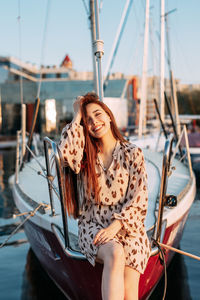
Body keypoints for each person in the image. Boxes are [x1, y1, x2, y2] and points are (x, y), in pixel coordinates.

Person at [58, 92, 151, 300]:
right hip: (94, 225)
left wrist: (116, 226)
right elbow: (64, 153)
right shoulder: (84, 155)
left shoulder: (132, 153)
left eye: (98, 114)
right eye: (87, 119)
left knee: (130, 290)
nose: (94, 122)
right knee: (115, 252)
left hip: (127, 226)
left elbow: (140, 196)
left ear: (109, 116)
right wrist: (76, 114)